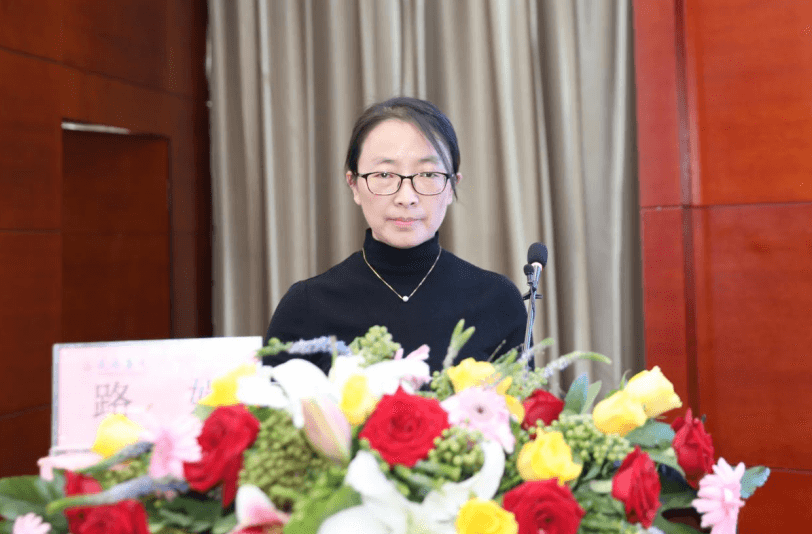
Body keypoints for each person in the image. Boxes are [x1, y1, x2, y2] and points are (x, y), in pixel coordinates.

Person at [263, 96, 527, 373]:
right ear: (354, 185)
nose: (406, 197)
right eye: (385, 175)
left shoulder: (497, 301)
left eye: (428, 174)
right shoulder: (306, 306)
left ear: (451, 186)